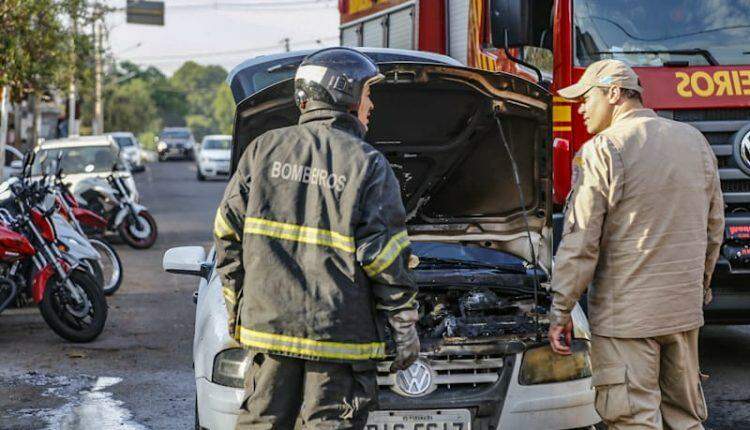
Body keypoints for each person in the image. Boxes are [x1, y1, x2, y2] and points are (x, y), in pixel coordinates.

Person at [213, 47, 420, 430]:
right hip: (338, 339)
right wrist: (405, 324)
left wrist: (238, 309)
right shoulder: (368, 164)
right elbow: (384, 257)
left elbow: (227, 233)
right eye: (367, 93)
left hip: (269, 329)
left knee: (263, 422)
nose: (371, 105)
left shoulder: (262, 150)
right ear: (345, 93)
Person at [548, 59, 724, 429]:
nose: (580, 108)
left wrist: (561, 310)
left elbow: (581, 242)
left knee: (633, 421)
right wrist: (700, 287)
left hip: (625, 319)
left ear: (614, 94)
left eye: (586, 98)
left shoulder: (603, 149)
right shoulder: (694, 141)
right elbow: (713, 230)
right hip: (682, 313)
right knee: (686, 420)